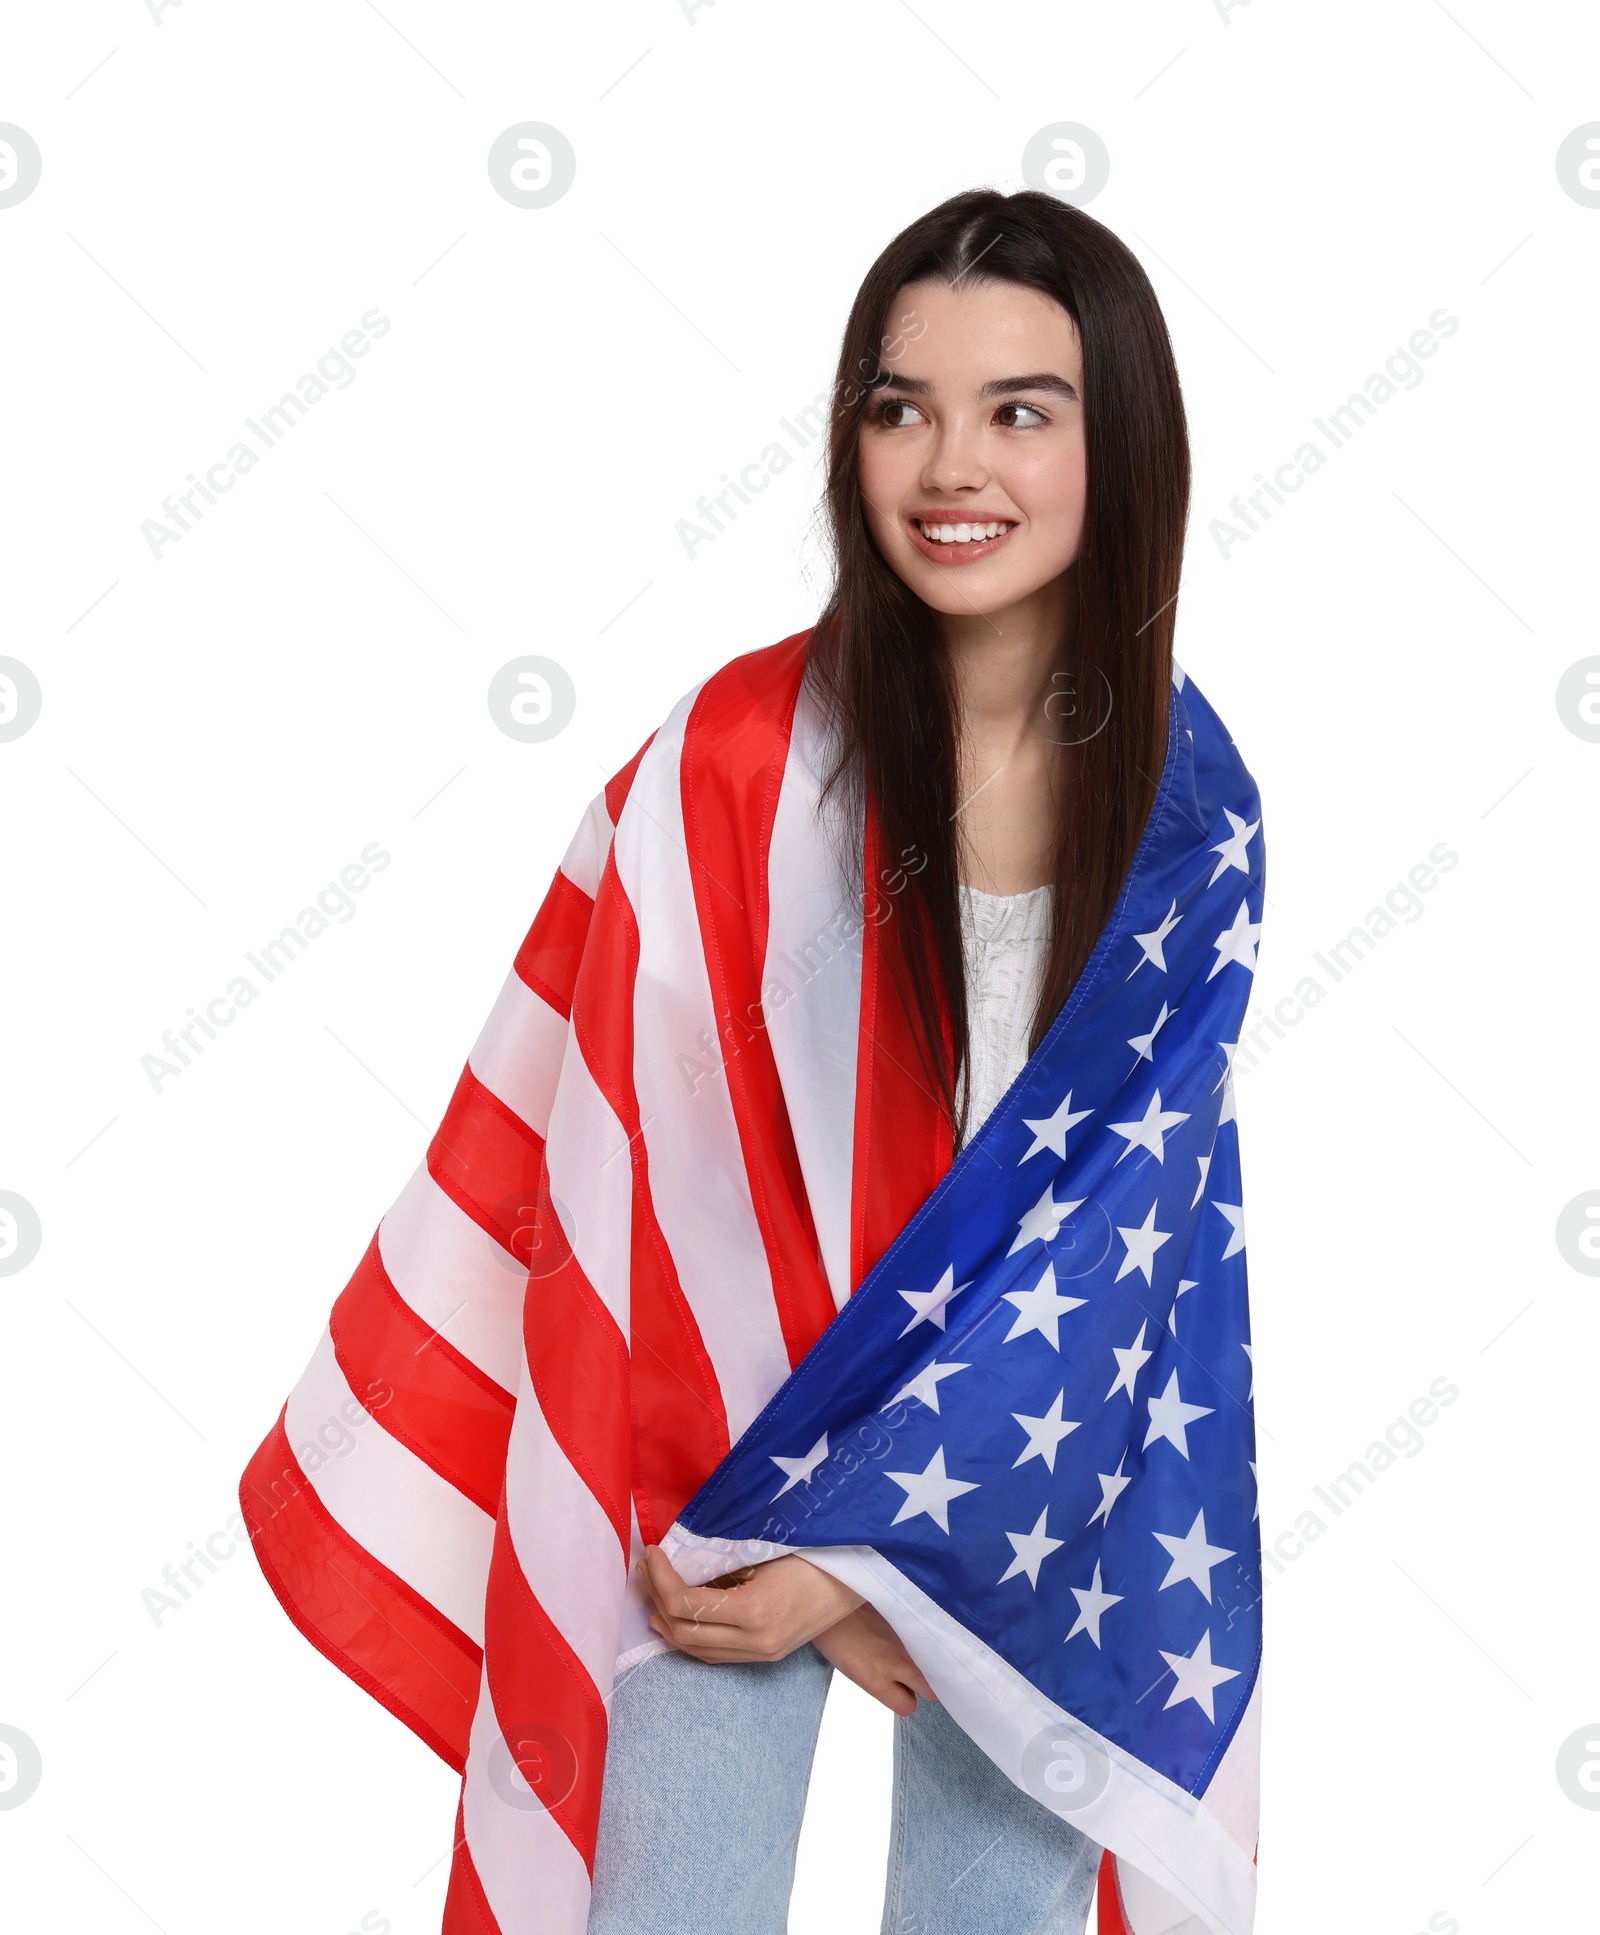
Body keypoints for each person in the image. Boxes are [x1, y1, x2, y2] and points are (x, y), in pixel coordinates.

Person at [242, 188, 1262, 1935]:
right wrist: (798, 1570)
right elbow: (651, 1193)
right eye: (898, 407)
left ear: (1125, 444)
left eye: (1021, 409)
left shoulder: (1189, 807)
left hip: (1027, 1497)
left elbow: (1122, 1254)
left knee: (995, 1909)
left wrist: (896, 1575)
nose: (952, 464)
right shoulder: (736, 761)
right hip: (710, 1472)